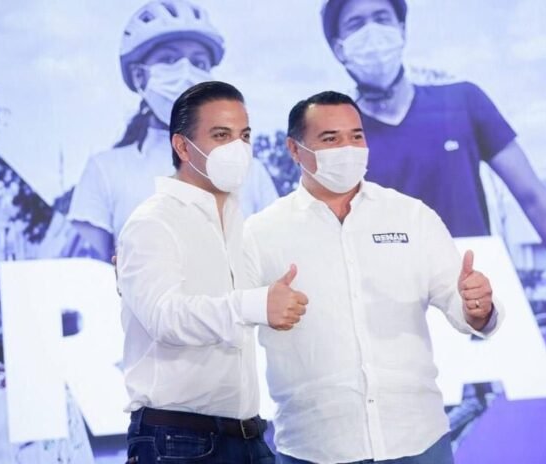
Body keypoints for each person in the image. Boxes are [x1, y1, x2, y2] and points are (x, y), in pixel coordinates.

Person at [243, 91, 502, 464]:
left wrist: (478, 307)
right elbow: (228, 316)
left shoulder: (412, 216)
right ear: (295, 149)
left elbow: (464, 309)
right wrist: (259, 305)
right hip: (315, 447)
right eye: (330, 139)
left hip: (418, 439)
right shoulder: (260, 232)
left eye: (356, 136)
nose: (348, 149)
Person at [320, 0, 546, 285]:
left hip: (475, 293)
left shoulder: (463, 102)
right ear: (339, 48)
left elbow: (535, 199)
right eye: (356, 24)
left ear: (402, 29)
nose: (372, 32)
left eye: (382, 18)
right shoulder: (337, 141)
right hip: (390, 300)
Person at [116, 81, 308, 464]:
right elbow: (165, 316)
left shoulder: (237, 221)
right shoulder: (152, 221)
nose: (237, 148)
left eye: (244, 135)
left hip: (248, 436)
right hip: (177, 440)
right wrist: (255, 306)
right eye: (221, 135)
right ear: (183, 146)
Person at [67, 0, 278, 262]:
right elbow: (88, 273)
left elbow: (275, 261)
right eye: (169, 59)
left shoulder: (250, 172)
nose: (186, 73)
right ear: (139, 76)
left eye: (198, 62)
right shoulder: (105, 171)